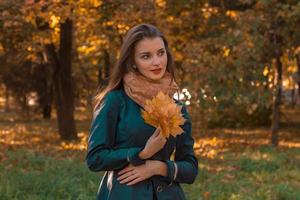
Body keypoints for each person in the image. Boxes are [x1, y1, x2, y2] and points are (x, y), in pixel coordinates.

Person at [86, 23, 198, 200]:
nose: (157, 61)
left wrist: (158, 167)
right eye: (146, 56)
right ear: (133, 62)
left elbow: (191, 169)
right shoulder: (115, 100)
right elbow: (95, 158)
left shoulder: (177, 106)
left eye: (161, 53)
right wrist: (140, 154)